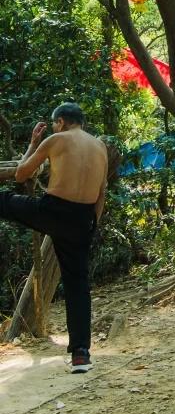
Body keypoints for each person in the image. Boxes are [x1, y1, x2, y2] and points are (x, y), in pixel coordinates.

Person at [0, 103, 108, 373]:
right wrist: (92, 225)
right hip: (83, 219)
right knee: (77, 285)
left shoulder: (55, 140)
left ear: (60, 122)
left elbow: (21, 174)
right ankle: (81, 354)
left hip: (52, 211)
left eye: (54, 123)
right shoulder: (100, 147)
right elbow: (102, 192)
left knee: (5, 201)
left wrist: (33, 144)